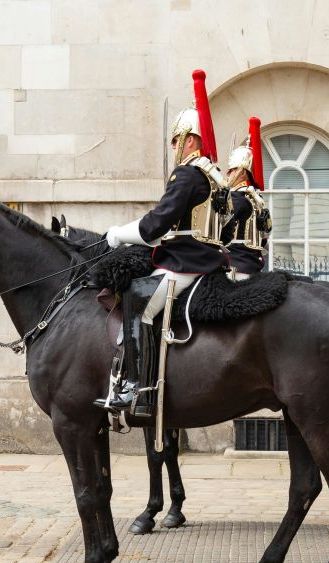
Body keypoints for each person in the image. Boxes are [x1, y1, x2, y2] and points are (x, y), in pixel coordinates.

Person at [96, 70, 229, 418]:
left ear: (188, 140)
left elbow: (155, 225)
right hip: (206, 259)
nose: (172, 147)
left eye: (175, 140)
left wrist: (117, 233)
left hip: (186, 262)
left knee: (139, 302)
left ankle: (134, 388)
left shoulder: (187, 174)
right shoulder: (213, 178)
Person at [221, 117, 271, 281]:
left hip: (235, 269)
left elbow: (219, 233)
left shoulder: (236, 198)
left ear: (243, 173)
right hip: (254, 267)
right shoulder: (258, 202)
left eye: (231, 170)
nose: (228, 174)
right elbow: (264, 239)